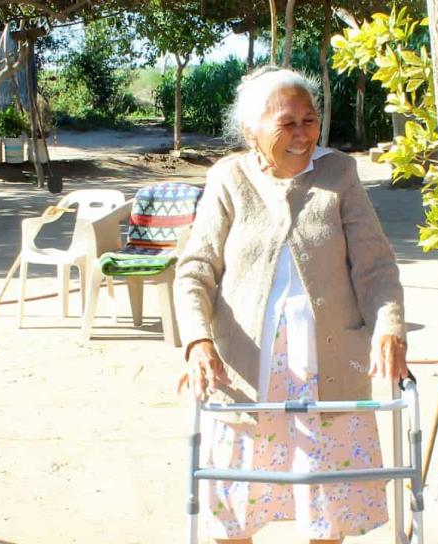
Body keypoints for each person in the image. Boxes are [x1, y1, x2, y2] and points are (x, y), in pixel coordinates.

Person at [174, 66, 408, 543]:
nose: (302, 134)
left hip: (326, 369)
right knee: (236, 510)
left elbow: (376, 268)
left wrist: (389, 326)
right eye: (287, 123)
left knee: (325, 512)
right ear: (251, 131)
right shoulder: (229, 178)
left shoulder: (340, 173)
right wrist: (198, 340)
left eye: (310, 119)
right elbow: (195, 269)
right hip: (243, 369)